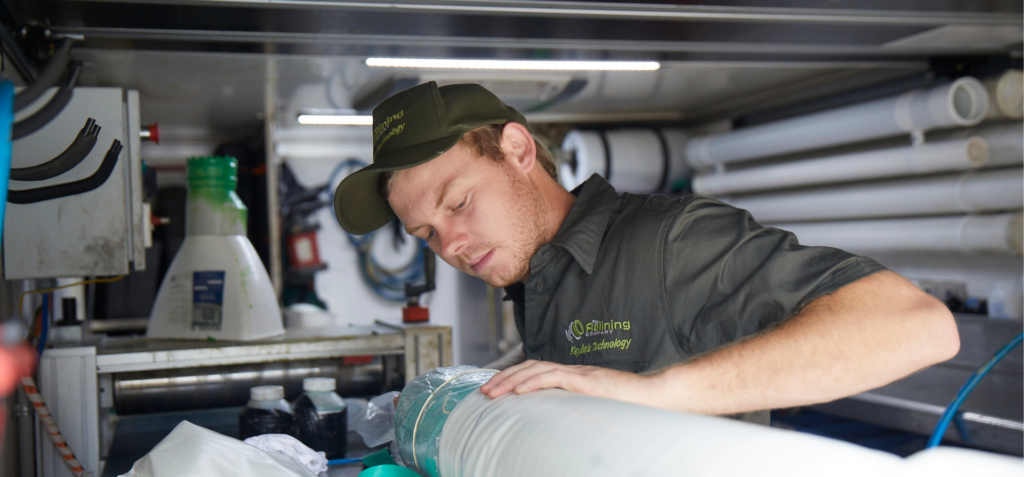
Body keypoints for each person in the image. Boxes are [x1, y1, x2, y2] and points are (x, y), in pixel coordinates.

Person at [334, 81, 959, 422]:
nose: (453, 246)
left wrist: (656, 391)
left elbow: (916, 327)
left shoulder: (667, 242)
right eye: (426, 236)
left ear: (519, 151)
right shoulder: (535, 276)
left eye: (459, 203)